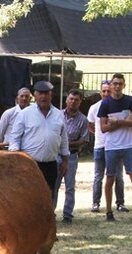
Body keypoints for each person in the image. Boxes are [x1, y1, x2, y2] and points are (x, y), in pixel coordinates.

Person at [7, 80, 69, 204]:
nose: (43, 96)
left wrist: (65, 160)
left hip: (51, 164)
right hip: (30, 164)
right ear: (34, 95)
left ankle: (47, 221)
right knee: (28, 196)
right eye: (40, 93)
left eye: (46, 93)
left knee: (50, 195)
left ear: (51, 95)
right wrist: (17, 157)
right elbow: (14, 138)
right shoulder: (24, 114)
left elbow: (64, 139)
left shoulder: (59, 115)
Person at [99, 73, 132, 221]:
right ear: (111, 85)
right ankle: (108, 211)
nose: (117, 86)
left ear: (124, 85)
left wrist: (117, 122)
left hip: (128, 145)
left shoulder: (130, 101)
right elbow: (104, 128)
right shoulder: (105, 104)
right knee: (110, 178)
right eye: (115, 83)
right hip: (111, 146)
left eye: (120, 83)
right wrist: (125, 120)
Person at [87, 80, 126, 213]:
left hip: (116, 146)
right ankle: (96, 203)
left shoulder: (118, 106)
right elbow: (90, 125)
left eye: (108, 91)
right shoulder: (94, 108)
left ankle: (120, 203)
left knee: (118, 176)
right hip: (100, 146)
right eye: (103, 91)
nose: (106, 93)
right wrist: (99, 134)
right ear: (100, 92)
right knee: (99, 176)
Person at [54, 89, 89, 223]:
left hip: (71, 156)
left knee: (70, 186)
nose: (73, 102)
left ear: (80, 102)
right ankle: (51, 212)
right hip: (55, 155)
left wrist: (66, 143)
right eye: (71, 99)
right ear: (66, 100)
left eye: (76, 100)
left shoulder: (83, 120)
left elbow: (84, 140)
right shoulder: (56, 115)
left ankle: (67, 214)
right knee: (54, 185)